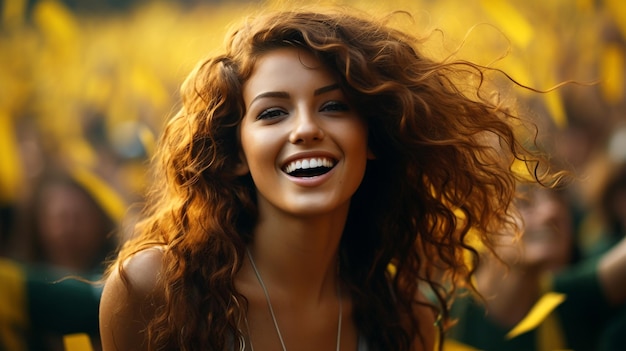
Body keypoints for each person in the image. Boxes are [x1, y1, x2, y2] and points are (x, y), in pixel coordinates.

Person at [98, 5, 560, 351]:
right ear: (237, 153)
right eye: (273, 112)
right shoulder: (155, 289)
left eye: (334, 106)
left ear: (373, 137)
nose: (305, 129)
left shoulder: (405, 320)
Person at [446, 185, 626, 351]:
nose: (552, 211)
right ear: (477, 224)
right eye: (524, 200)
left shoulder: (568, 302)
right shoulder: (433, 312)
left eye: (558, 196)